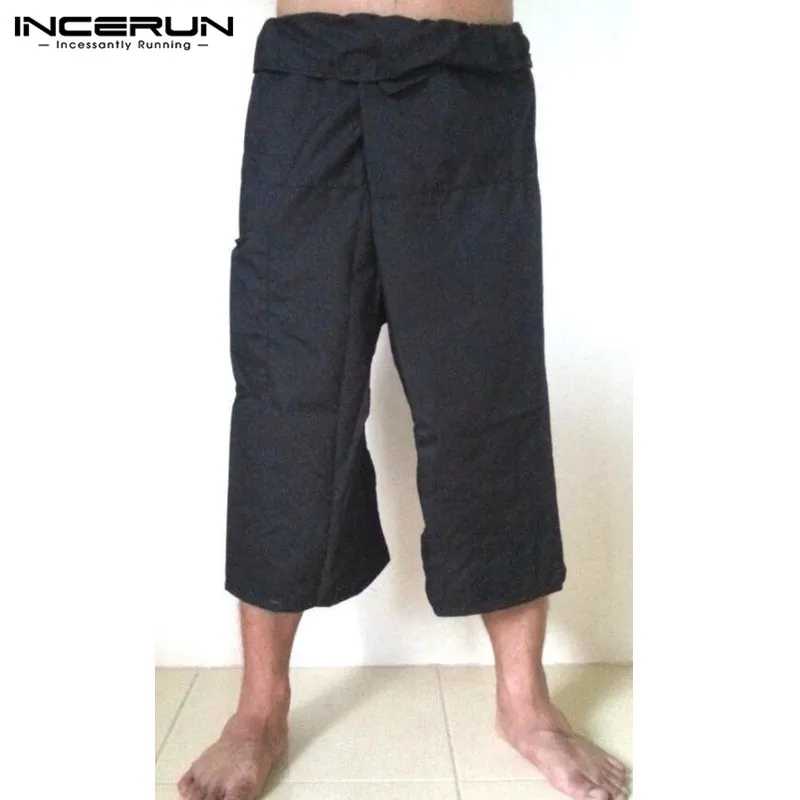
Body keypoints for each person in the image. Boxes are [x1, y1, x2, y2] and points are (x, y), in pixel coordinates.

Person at [178, 1, 629, 799]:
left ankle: (524, 704)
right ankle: (259, 708)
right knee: (287, 396)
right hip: (309, 79)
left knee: (486, 389)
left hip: (467, 79)